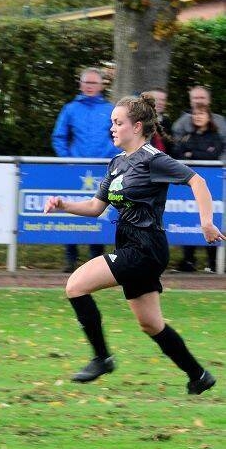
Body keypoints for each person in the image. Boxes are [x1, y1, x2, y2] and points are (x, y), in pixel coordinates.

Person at [44, 93, 223, 395]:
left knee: (75, 285)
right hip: (133, 245)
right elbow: (95, 207)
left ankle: (102, 358)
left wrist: (206, 222)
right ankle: (199, 376)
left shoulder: (153, 159)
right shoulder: (117, 163)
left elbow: (198, 181)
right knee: (151, 324)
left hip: (145, 248)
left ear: (137, 126)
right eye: (112, 122)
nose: (112, 128)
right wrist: (63, 205)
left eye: (118, 123)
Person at [52, 67, 120, 273]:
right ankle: (70, 259)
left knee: (99, 211)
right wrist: (68, 161)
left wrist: (112, 158)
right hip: (75, 170)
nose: (90, 86)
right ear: (81, 85)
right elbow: (59, 137)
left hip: (103, 169)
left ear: (101, 86)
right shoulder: (70, 109)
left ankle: (96, 261)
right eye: (87, 82)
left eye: (94, 83)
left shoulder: (111, 110)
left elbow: (120, 135)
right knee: (72, 210)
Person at [173, 103, 225, 272]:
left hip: (211, 186)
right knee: (189, 220)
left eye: (201, 114)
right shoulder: (188, 136)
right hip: (189, 187)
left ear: (208, 117)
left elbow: (213, 153)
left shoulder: (215, 136)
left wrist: (192, 154)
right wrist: (193, 153)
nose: (198, 117)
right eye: (195, 114)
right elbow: (178, 153)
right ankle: (189, 260)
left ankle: (213, 262)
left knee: (210, 220)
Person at [146, 87, 174, 155]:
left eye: (163, 100)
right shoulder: (138, 120)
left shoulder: (167, 122)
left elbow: (171, 147)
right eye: (156, 99)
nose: (160, 103)